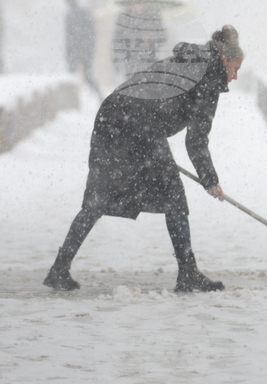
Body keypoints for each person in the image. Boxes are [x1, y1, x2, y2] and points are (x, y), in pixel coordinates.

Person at [44, 25, 244, 293]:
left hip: (113, 115)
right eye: (235, 68)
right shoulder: (208, 76)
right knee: (174, 199)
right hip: (136, 125)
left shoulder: (189, 61)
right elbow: (196, 140)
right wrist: (210, 180)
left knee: (98, 198)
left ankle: (59, 268)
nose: (235, 76)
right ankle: (187, 274)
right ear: (224, 60)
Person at [65, 0, 101, 98]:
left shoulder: (70, 15)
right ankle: (99, 95)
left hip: (76, 50)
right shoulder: (85, 12)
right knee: (88, 75)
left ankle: (71, 99)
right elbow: (92, 31)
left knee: (71, 75)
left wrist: (69, 52)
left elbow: (69, 36)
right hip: (86, 50)